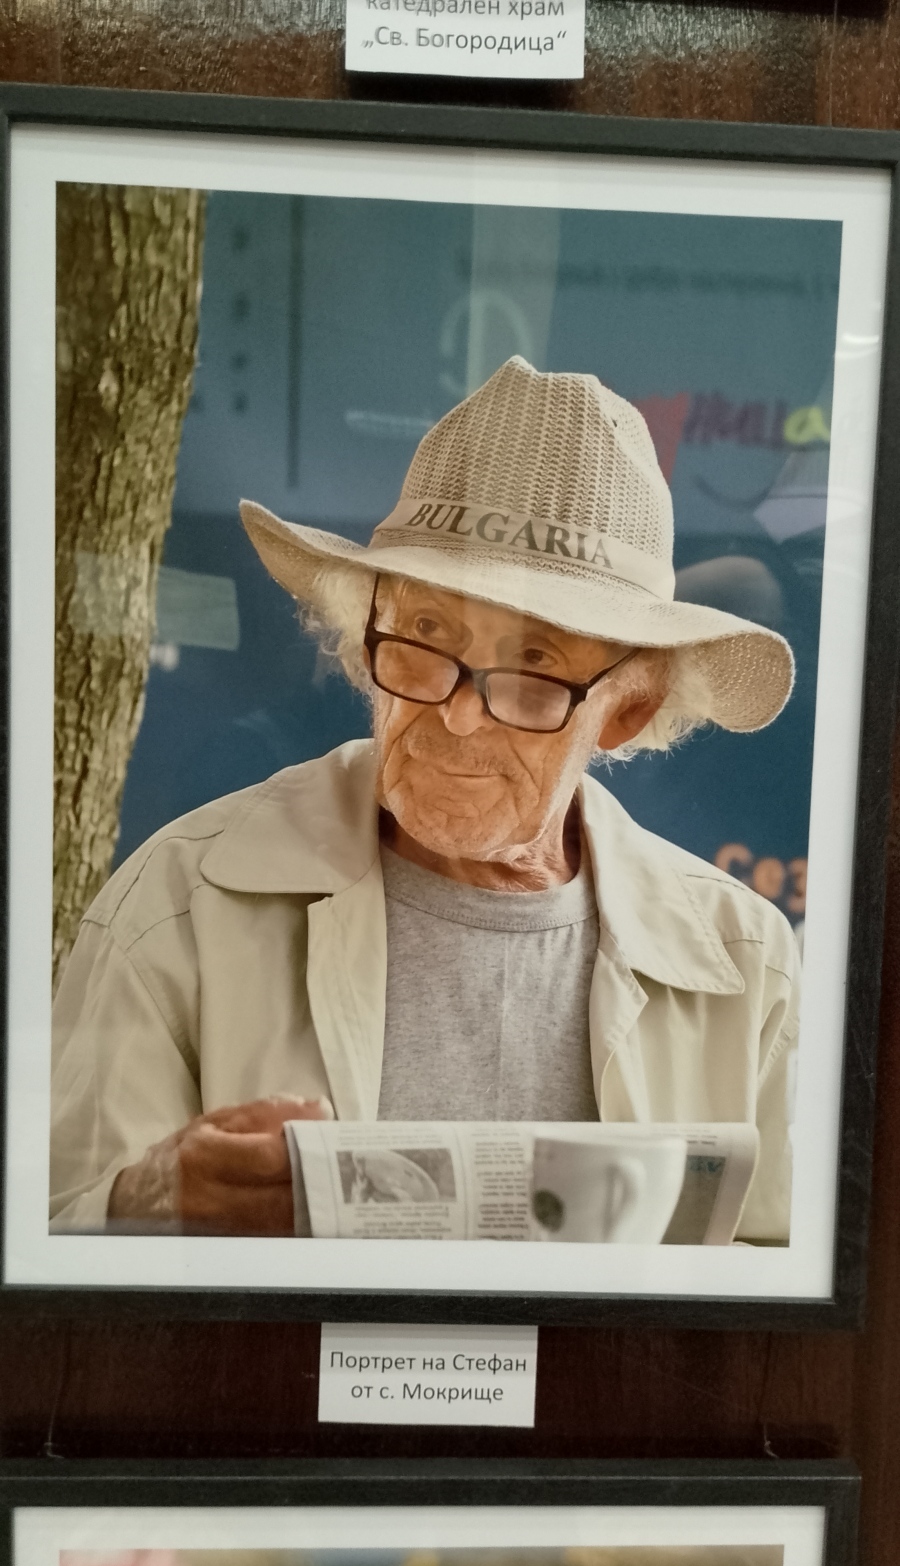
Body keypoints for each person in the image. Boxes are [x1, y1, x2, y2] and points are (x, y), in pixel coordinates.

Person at [50, 357, 799, 1242]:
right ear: (366, 632)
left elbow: (784, 1283)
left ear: (627, 710)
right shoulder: (177, 907)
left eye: (534, 666)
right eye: (426, 633)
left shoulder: (745, 965)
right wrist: (149, 1201)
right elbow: (46, 1251)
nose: (457, 714)